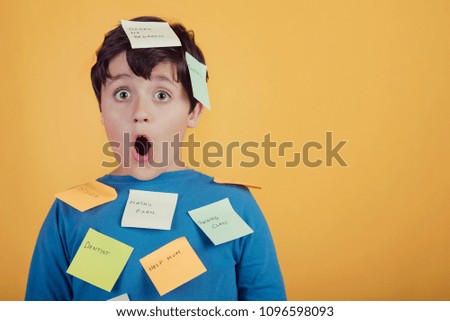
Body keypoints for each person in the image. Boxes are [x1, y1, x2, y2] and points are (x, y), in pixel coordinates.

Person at [25, 16, 286, 301]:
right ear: (101, 108)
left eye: (162, 94)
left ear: (194, 112)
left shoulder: (236, 205)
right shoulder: (67, 214)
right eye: (122, 93)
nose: (140, 111)